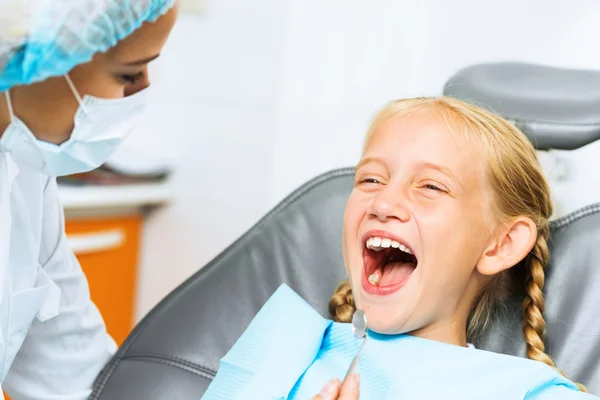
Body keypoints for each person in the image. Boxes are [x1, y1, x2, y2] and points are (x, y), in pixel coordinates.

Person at [202, 97, 599, 399]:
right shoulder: (283, 339)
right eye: (371, 180)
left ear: (501, 244)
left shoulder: (531, 393)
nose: (383, 204)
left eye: (430, 186)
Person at [0, 1, 178, 398]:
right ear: (36, 55)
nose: (141, 92)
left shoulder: (26, 175)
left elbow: (79, 375)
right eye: (128, 73)